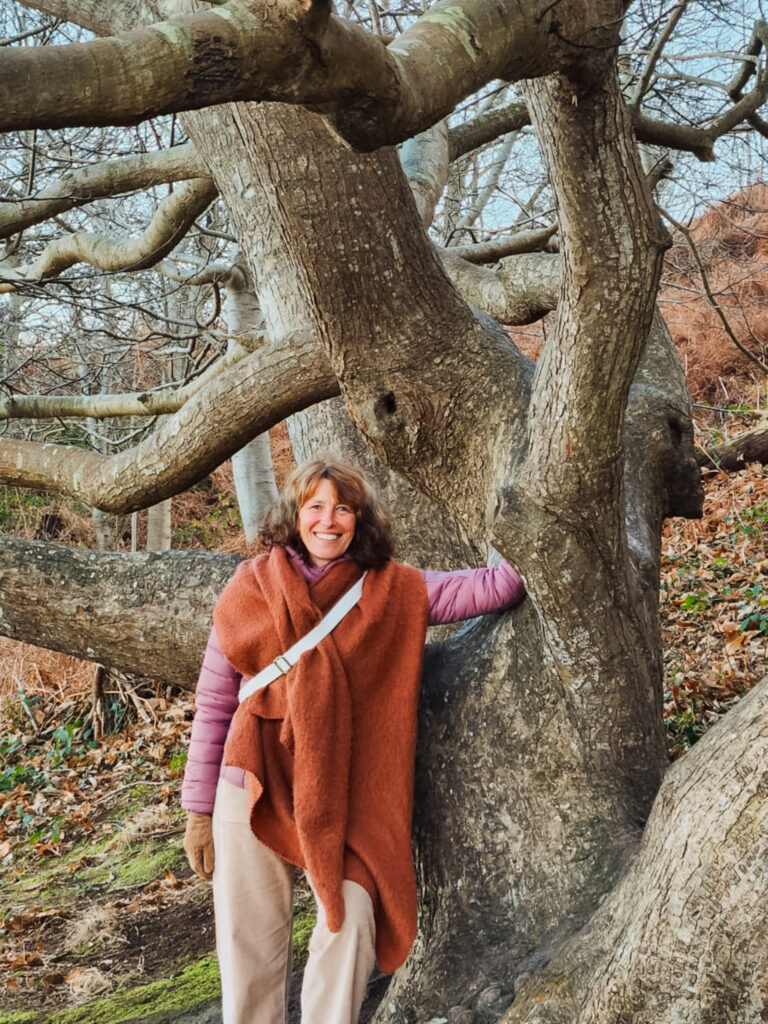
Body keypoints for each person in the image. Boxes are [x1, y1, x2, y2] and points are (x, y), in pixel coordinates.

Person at [181, 457, 525, 1024]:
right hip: (252, 779)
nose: (328, 520)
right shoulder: (248, 589)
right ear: (295, 515)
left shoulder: (391, 589)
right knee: (250, 944)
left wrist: (527, 528)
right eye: (315, 506)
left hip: (344, 788)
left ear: (358, 520)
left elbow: (490, 587)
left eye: (343, 508)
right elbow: (216, 703)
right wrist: (198, 811)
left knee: (352, 916)